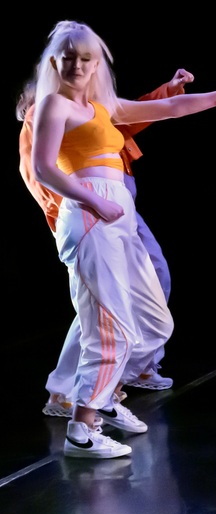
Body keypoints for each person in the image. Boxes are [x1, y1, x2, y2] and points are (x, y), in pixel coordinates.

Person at [16, 19, 216, 459]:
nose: (76, 65)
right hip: (91, 213)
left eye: (85, 58)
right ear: (55, 61)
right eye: (68, 57)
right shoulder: (54, 106)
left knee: (153, 321)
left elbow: (171, 110)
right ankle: (82, 428)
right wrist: (88, 199)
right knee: (110, 328)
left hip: (116, 211)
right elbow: (43, 168)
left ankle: (104, 397)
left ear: (96, 65)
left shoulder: (102, 108)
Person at [18, 67, 195, 419]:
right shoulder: (46, 113)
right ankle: (75, 390)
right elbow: (37, 172)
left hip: (117, 206)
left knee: (140, 286)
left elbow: (130, 115)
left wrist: (168, 90)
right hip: (91, 212)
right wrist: (68, 218)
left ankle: (121, 372)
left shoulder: (91, 108)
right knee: (99, 307)